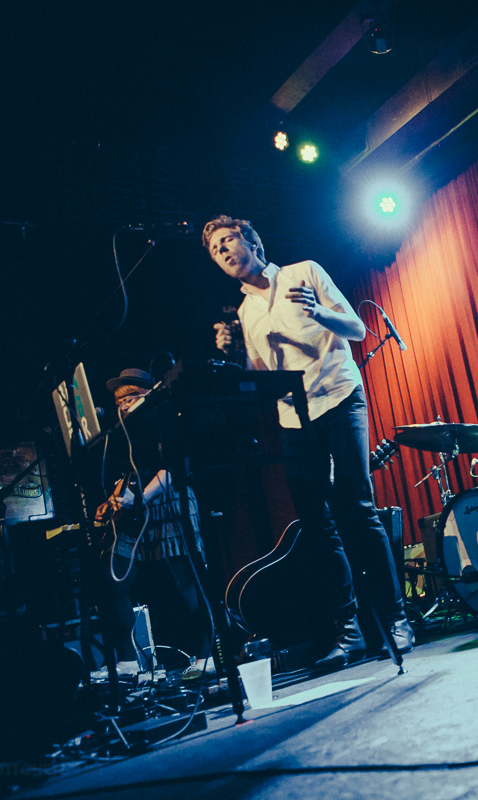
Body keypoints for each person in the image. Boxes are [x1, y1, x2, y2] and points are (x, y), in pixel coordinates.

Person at [207, 215, 413, 669]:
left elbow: (358, 331)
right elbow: (262, 381)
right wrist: (233, 357)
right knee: (317, 526)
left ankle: (396, 620)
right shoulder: (244, 313)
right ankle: (350, 630)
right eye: (215, 251)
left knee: (357, 509)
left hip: (339, 395)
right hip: (292, 416)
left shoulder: (305, 272)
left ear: (252, 240)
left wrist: (318, 313)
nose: (222, 252)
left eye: (227, 241)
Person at [93, 368, 213, 682]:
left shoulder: (164, 419)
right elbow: (129, 473)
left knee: (186, 583)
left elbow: (174, 467)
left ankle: (207, 656)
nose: (123, 406)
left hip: (167, 504)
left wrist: (141, 498)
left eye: (130, 398)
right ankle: (129, 662)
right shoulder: (120, 433)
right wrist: (112, 501)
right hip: (136, 510)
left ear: (148, 395)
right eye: (119, 401)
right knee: (112, 578)